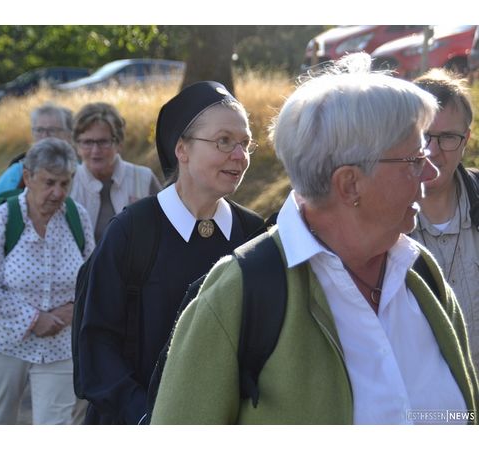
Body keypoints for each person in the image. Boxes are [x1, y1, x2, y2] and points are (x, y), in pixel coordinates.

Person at [150, 54, 479, 424]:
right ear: (349, 183)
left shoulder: (420, 273)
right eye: (415, 159)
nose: (432, 170)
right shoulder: (239, 294)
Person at [77, 81, 263, 424]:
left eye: (245, 143)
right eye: (224, 141)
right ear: (182, 149)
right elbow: (97, 343)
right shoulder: (132, 231)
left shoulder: (252, 235)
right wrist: (146, 417)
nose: (240, 156)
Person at [0, 137, 95, 424]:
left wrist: (73, 309)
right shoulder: (3, 219)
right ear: (28, 177)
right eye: (49, 182)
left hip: (60, 345)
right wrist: (34, 319)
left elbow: (91, 280)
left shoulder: (77, 217)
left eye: (65, 183)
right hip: (4, 341)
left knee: (55, 427)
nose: (57, 192)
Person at [410, 69, 479, 373]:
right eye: (423, 136)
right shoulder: (377, 219)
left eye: (448, 137)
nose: (432, 152)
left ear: (466, 138)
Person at [69, 102, 161, 242]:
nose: (95, 151)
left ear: (119, 143)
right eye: (87, 142)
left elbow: (165, 231)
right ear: (77, 146)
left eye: (103, 142)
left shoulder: (143, 178)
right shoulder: (67, 182)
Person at [0, 103, 73, 218]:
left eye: (52, 130)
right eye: (39, 130)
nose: (45, 136)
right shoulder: (16, 173)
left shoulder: (80, 171)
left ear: (68, 135)